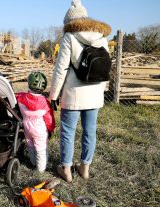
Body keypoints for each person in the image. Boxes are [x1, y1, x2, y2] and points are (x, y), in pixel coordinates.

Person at [49, 0, 111, 182]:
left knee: (68, 131)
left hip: (73, 94)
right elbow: (105, 67)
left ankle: (66, 170)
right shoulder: (102, 37)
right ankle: (85, 168)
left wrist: (53, 95)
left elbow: (60, 69)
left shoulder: (69, 37)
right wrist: (101, 91)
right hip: (94, 94)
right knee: (89, 131)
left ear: (69, 22)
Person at [16, 71, 55, 173]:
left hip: (27, 127)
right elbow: (49, 118)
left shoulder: (21, 97)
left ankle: (33, 162)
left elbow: (13, 96)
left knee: (30, 145)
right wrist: (51, 129)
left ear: (29, 84)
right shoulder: (45, 102)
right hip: (40, 129)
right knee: (41, 149)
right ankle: (40, 170)